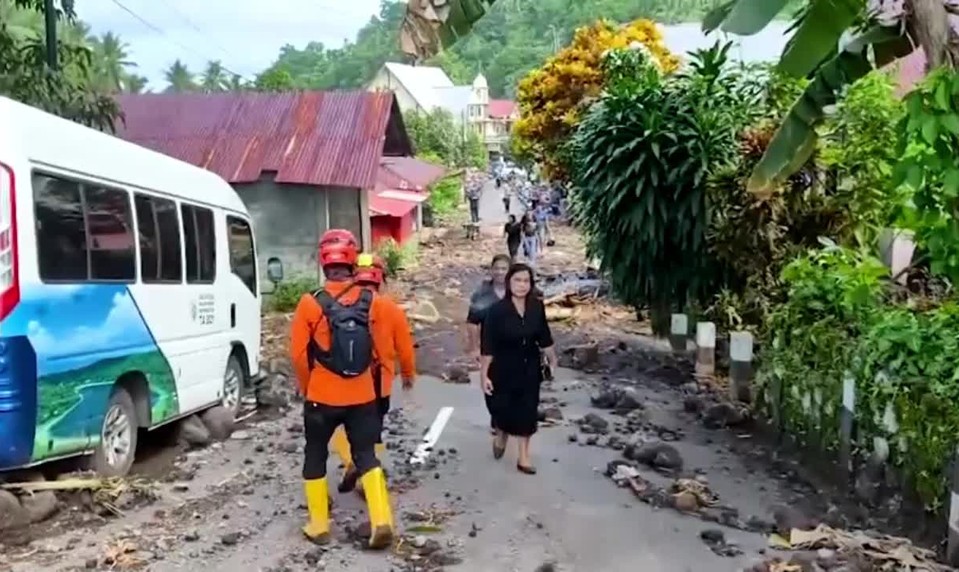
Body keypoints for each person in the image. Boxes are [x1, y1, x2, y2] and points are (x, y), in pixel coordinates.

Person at [289, 229, 395, 549]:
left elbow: (297, 355)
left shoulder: (309, 303)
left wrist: (309, 388)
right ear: (352, 261)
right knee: (366, 455)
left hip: (322, 395)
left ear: (323, 261)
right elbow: (380, 352)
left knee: (315, 454)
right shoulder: (371, 300)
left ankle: (319, 525)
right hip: (362, 395)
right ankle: (381, 520)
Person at [333, 253, 417, 493]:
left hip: (346, 381)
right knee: (373, 430)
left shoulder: (337, 304)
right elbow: (405, 349)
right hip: (379, 383)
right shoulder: (390, 309)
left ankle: (353, 463)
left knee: (349, 426)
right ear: (381, 279)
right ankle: (366, 478)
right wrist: (409, 375)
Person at [480, 263, 557, 474]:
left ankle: (523, 457)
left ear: (531, 285)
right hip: (503, 368)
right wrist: (484, 374)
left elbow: (544, 335)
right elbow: (488, 344)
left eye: (526, 281)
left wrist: (552, 359)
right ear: (509, 282)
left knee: (528, 410)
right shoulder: (496, 311)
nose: (522, 285)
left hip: (529, 367)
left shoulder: (536, 307)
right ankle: (502, 431)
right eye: (517, 280)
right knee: (502, 407)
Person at [465, 255, 511, 432]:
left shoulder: (517, 291)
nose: (500, 272)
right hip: (490, 348)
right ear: (492, 271)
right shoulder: (482, 294)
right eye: (497, 268)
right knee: (491, 383)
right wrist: (474, 347)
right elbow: (472, 322)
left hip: (515, 346)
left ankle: (508, 418)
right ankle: (496, 416)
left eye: (504, 269)